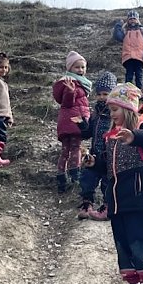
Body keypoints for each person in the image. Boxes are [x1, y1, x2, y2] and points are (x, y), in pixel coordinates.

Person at [83, 83, 143, 284]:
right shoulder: (111, 136)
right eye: (110, 110)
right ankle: (132, 281)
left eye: (115, 109)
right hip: (117, 200)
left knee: (140, 238)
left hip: (139, 196)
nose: (112, 114)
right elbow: (106, 164)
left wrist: (135, 136)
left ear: (128, 109)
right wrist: (94, 162)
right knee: (122, 241)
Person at [77, 70, 117, 221]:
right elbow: (88, 133)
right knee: (87, 177)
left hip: (108, 155)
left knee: (108, 181)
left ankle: (107, 205)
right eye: (99, 94)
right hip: (94, 153)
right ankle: (87, 203)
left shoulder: (114, 113)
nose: (102, 97)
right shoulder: (95, 113)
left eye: (105, 94)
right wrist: (81, 124)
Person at [52, 50, 91, 194]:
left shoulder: (79, 83)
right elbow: (67, 103)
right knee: (75, 148)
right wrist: (70, 91)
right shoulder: (70, 82)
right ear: (70, 68)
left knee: (66, 150)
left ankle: (61, 177)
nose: (80, 70)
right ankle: (75, 175)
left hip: (66, 121)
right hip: (74, 121)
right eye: (77, 67)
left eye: (83, 67)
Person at [112, 10, 143, 89]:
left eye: (134, 18)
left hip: (139, 57)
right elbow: (117, 36)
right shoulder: (125, 31)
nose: (132, 20)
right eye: (130, 19)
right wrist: (118, 25)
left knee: (139, 75)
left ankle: (139, 92)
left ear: (138, 20)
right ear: (128, 20)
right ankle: (127, 92)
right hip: (128, 57)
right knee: (128, 75)